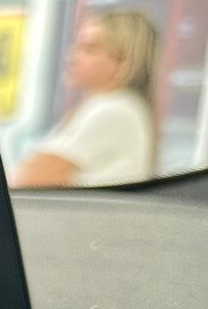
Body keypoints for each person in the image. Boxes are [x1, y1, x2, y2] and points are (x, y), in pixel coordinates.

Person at [9, 10, 159, 188]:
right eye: (77, 46)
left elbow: (27, 179)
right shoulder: (109, 106)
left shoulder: (115, 109)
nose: (71, 57)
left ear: (124, 64)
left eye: (90, 49)